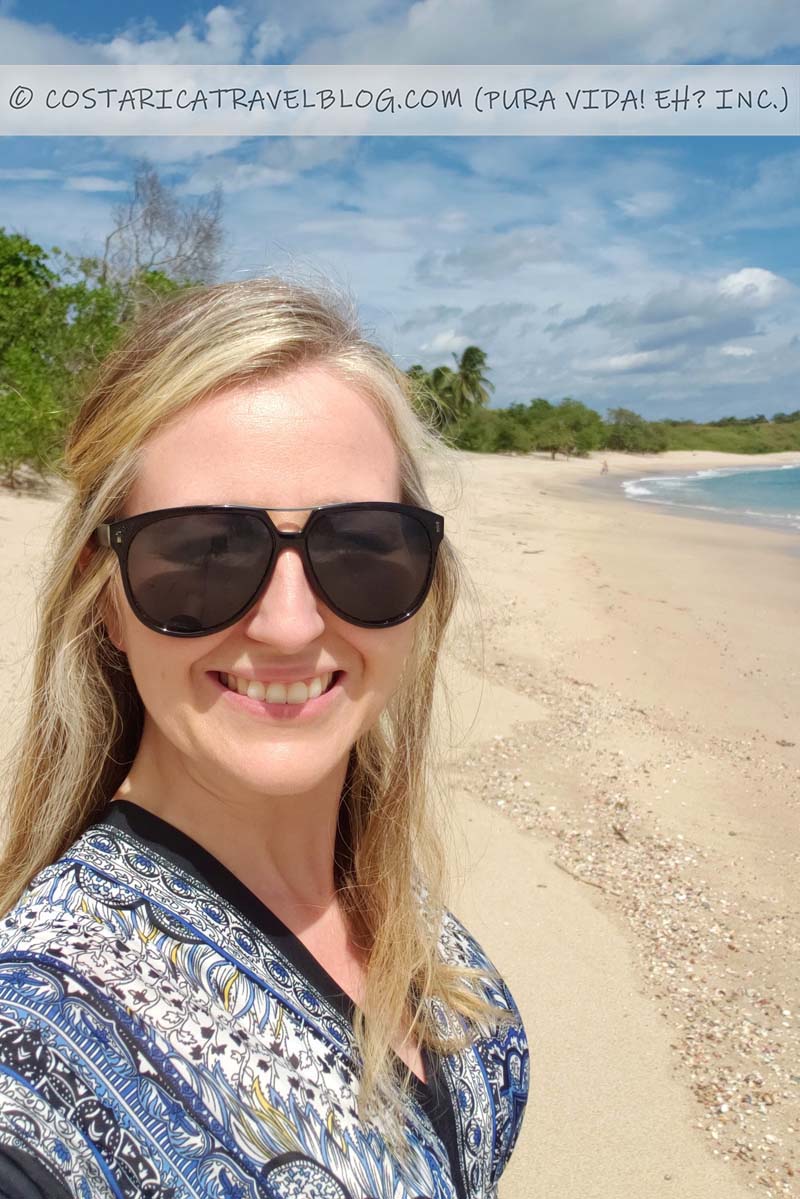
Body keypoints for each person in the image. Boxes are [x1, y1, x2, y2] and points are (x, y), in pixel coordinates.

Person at [0, 276, 529, 1199]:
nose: (290, 625)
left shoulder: (376, 886)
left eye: (359, 545)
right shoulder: (39, 1050)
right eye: (204, 551)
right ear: (107, 598)